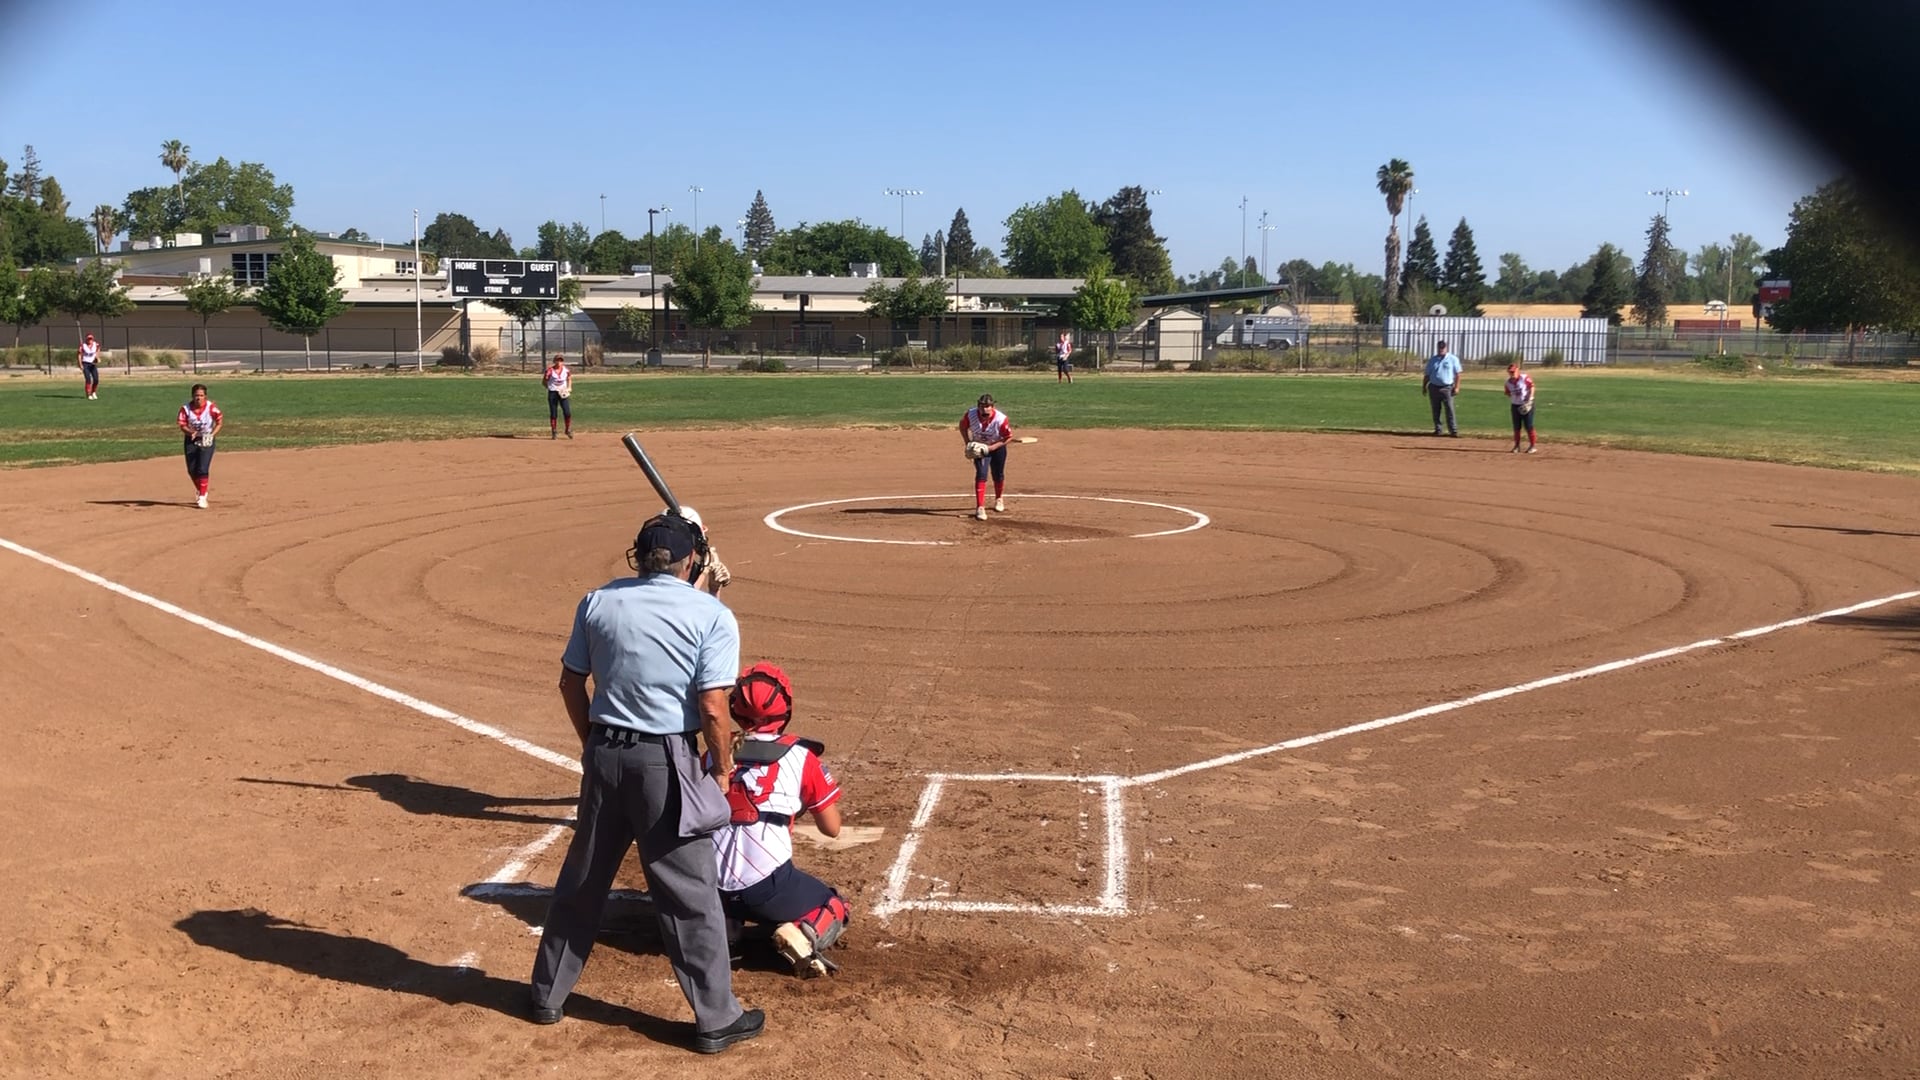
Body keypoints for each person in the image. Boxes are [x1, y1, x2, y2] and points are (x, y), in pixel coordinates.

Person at [529, 511, 765, 1055]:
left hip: (605, 755)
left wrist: (592, 743)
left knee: (583, 880)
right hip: (665, 763)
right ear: (691, 560)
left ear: (639, 555)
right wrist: (721, 768)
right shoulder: (712, 616)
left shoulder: (598, 601)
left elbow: (570, 682)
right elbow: (712, 705)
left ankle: (546, 994)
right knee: (689, 895)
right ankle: (717, 1019)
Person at [707, 662, 851, 978]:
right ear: (785, 708)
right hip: (768, 888)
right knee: (834, 903)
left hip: (710, 884)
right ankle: (802, 935)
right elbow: (832, 828)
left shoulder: (714, 751)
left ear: (735, 707)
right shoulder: (801, 757)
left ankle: (727, 933)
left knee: (727, 884)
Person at [959, 392, 1014, 521]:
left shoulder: (1001, 419)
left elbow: (1008, 437)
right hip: (979, 449)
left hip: (997, 448)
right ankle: (980, 507)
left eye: (987, 406)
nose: (985, 409)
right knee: (981, 474)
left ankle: (999, 498)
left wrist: (991, 448)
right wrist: (968, 442)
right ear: (978, 406)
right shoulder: (970, 414)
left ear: (992, 407)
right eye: (982, 406)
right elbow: (962, 426)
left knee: (998, 474)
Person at [176, 383, 223, 510]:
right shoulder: (185, 409)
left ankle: (202, 497)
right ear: (192, 396)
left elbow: (219, 422)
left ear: (205, 396)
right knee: (192, 470)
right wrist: (190, 432)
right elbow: (182, 425)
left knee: (202, 468)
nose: (199, 398)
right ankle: (202, 489)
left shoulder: (211, 408)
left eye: (201, 395)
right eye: (196, 395)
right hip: (191, 439)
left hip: (206, 439)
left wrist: (212, 435)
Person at [1421, 340, 1462, 437]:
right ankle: (1438, 429)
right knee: (1436, 409)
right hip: (1434, 387)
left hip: (1447, 388)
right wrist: (1424, 387)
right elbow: (1427, 375)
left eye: (1443, 348)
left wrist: (1457, 387)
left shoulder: (1453, 359)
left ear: (1446, 348)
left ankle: (1453, 430)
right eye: (1440, 348)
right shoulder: (1433, 360)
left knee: (1450, 409)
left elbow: (1458, 374)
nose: (1441, 350)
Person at [1504, 362, 1538, 453]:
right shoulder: (1507, 382)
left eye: (1513, 371)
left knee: (1528, 426)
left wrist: (1530, 398)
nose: (1512, 373)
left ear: (1517, 370)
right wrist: (1514, 398)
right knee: (1516, 427)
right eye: (1510, 372)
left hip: (1527, 404)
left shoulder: (1524, 378)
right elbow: (1507, 392)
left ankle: (1532, 446)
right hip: (1515, 405)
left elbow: (1532, 387)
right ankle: (1517, 446)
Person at [543, 354, 573, 439]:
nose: (559, 362)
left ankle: (567, 429)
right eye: (557, 360)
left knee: (567, 412)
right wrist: (549, 387)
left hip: (563, 392)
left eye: (561, 360)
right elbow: (544, 381)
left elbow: (569, 378)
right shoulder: (550, 370)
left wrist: (569, 387)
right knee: (553, 413)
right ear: (554, 361)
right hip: (553, 392)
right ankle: (554, 431)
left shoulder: (566, 370)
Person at [79, 333, 101, 400]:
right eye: (88, 339)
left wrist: (97, 357)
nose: (90, 340)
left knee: (96, 379)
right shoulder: (83, 345)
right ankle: (88, 394)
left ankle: (93, 392)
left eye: (91, 339)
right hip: (85, 363)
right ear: (86, 339)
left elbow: (98, 350)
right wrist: (80, 364)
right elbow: (79, 355)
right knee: (88, 379)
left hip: (92, 364)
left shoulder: (96, 344)